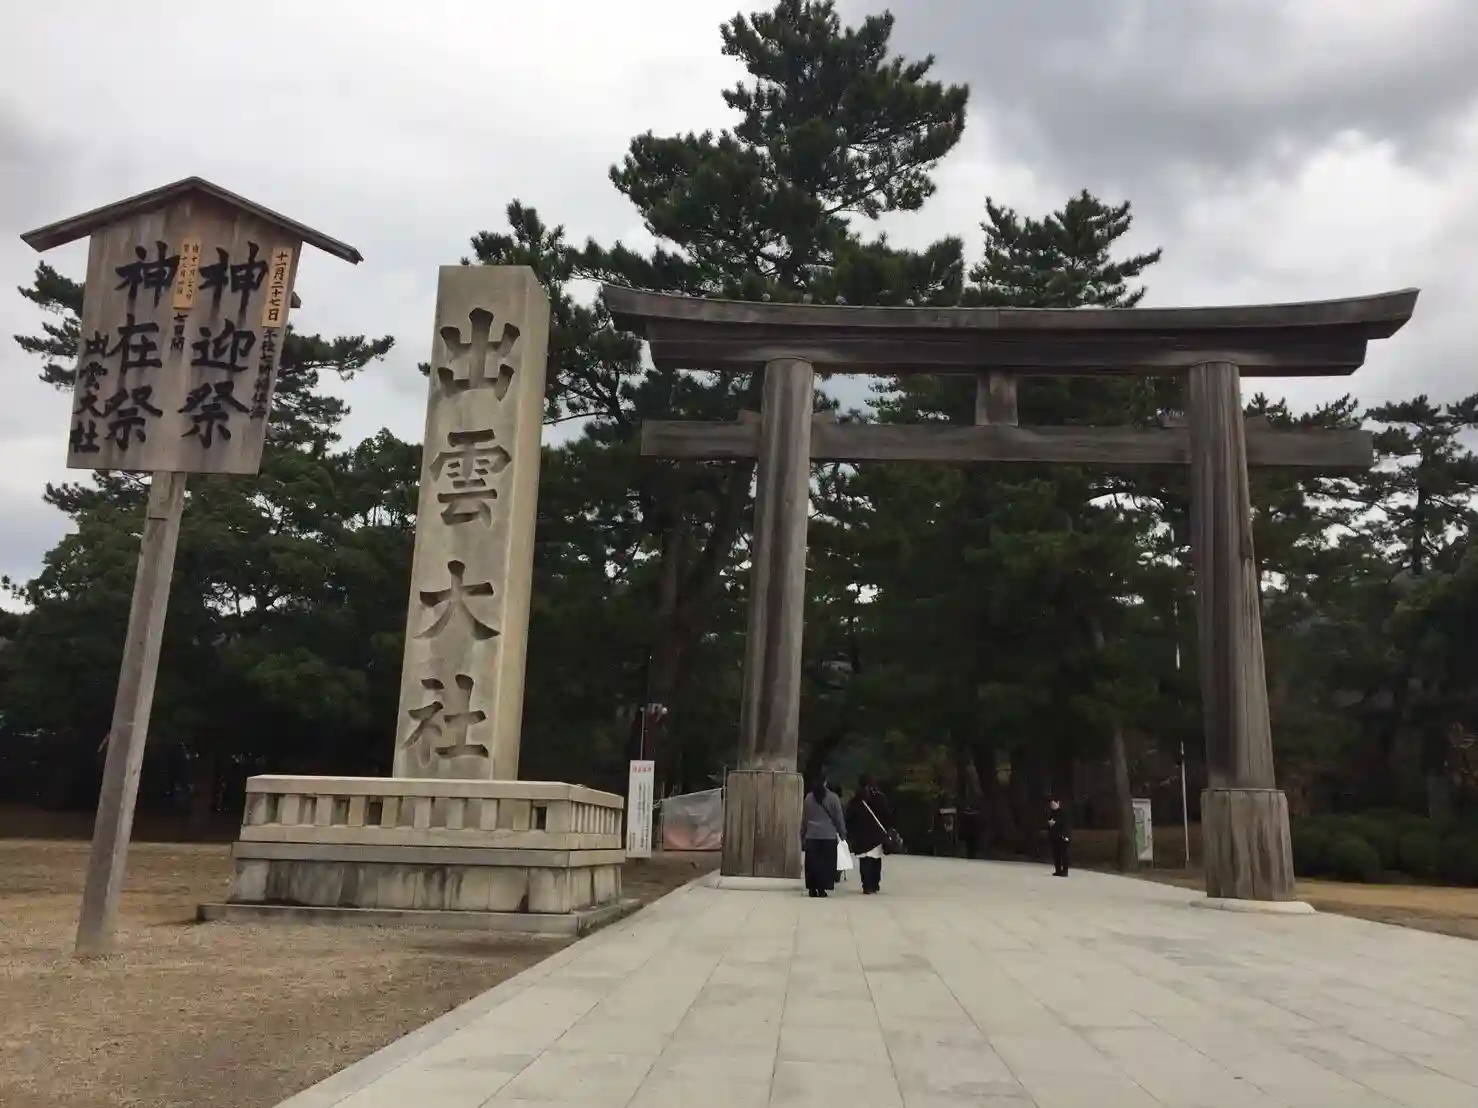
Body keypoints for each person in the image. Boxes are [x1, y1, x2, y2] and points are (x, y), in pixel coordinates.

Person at [846, 775, 894, 895]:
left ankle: (866, 885)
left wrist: (851, 833)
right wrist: (887, 829)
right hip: (876, 834)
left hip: (861, 835)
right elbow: (887, 815)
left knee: (864, 860)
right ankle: (874, 883)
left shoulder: (855, 800)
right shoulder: (879, 798)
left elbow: (849, 818)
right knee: (875, 859)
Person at [801, 777, 847, 897]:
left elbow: (805, 818)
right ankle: (822, 889)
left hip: (812, 834)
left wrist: (803, 833)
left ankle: (812, 888)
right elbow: (838, 817)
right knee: (825, 864)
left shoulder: (808, 798)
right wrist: (842, 832)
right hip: (828, 835)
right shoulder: (833, 798)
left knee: (812, 864)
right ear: (825, 782)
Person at [1047, 797, 1071, 877]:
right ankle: (1058, 870)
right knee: (1056, 854)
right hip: (1054, 836)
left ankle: (1065, 871)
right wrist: (1050, 824)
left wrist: (1066, 835)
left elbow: (1066, 825)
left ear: (1058, 803)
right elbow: (1049, 823)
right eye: (1051, 804)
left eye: (1053, 804)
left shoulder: (1064, 813)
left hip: (1062, 836)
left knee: (1064, 855)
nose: (1052, 805)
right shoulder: (1051, 813)